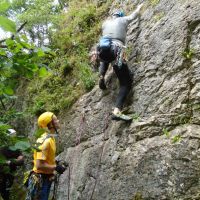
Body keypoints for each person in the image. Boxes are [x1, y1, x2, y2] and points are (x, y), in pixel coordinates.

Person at [96, 4, 143, 121]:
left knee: (105, 58)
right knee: (126, 82)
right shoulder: (123, 19)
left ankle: (101, 75)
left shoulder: (105, 23)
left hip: (103, 49)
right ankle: (117, 110)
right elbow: (134, 15)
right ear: (120, 15)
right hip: (117, 49)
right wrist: (139, 7)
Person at [25, 112, 67, 200]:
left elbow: (43, 159)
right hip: (41, 180)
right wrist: (56, 167)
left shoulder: (51, 138)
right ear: (50, 124)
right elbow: (39, 165)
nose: (58, 121)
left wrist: (55, 162)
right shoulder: (45, 141)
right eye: (55, 119)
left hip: (45, 179)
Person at [0, 129, 24, 200]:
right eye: (12, 136)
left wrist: (10, 162)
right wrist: (12, 161)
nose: (14, 137)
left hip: (10, 174)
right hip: (2, 174)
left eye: (14, 136)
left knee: (7, 192)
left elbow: (21, 161)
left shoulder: (16, 148)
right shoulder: (1, 147)